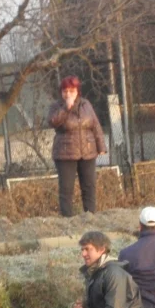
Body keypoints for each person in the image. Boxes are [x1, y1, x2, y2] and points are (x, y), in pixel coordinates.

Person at [47, 76, 107, 217]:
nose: (68, 94)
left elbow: (95, 125)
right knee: (66, 188)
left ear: (77, 91)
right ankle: (68, 219)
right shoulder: (56, 106)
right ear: (61, 92)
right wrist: (66, 108)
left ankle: (90, 216)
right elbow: (53, 122)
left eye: (71, 91)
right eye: (65, 91)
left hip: (87, 151)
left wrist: (101, 146)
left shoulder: (86, 104)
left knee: (89, 186)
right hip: (65, 153)